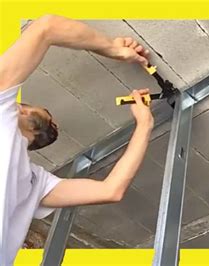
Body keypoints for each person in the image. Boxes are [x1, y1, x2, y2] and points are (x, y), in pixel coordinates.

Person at [0, 15, 154, 265]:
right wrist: (114, 48)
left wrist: (144, 124)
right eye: (48, 115)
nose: (54, 122)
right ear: (21, 109)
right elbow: (47, 27)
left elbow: (111, 190)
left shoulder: (36, 182)